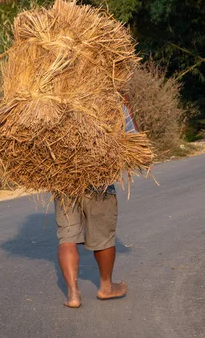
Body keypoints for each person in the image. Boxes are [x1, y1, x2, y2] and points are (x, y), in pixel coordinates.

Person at [54, 101, 138, 308]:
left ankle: (73, 294)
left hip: (63, 181)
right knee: (103, 237)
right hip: (99, 182)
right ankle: (106, 287)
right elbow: (134, 139)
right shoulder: (109, 101)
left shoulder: (55, 100)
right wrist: (127, 104)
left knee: (67, 237)